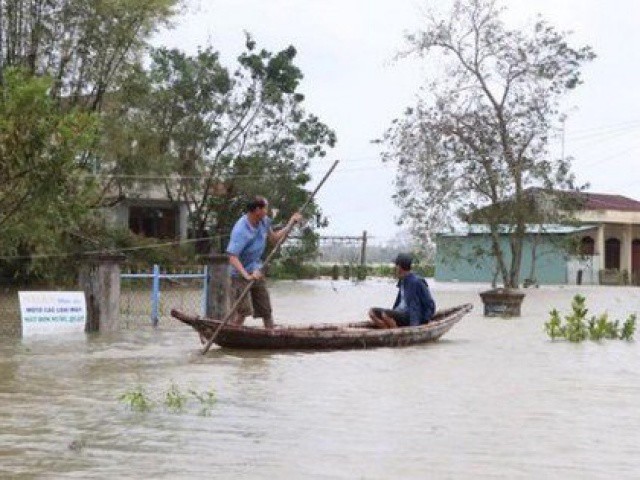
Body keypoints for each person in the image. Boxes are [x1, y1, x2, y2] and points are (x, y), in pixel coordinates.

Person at [226, 196, 302, 329]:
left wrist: (290, 224)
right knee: (243, 312)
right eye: (265, 208)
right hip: (240, 274)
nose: (267, 211)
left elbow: (274, 239)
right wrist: (247, 275)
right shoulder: (241, 229)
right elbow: (232, 256)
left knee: (266, 310)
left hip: (257, 269)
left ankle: (271, 333)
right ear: (257, 210)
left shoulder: (264, 221)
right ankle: (231, 334)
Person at [368, 253, 436, 328]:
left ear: (399, 267)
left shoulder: (417, 282)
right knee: (372, 312)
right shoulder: (402, 281)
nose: (395, 268)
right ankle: (388, 331)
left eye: (396, 266)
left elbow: (430, 304)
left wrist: (426, 320)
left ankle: (396, 334)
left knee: (386, 314)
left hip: (411, 316)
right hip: (400, 314)